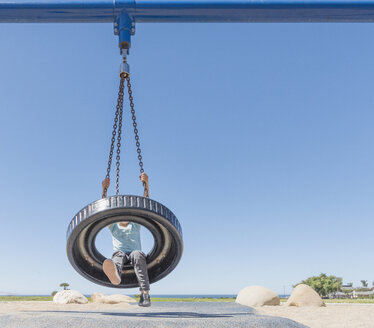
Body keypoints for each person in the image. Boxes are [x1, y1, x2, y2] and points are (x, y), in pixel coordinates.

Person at [103, 173, 151, 307]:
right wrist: (104, 189)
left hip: (135, 252)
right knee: (117, 257)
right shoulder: (113, 226)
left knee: (138, 254)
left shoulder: (135, 224)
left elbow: (145, 204)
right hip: (120, 253)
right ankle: (115, 275)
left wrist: (146, 183)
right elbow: (101, 211)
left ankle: (145, 294)